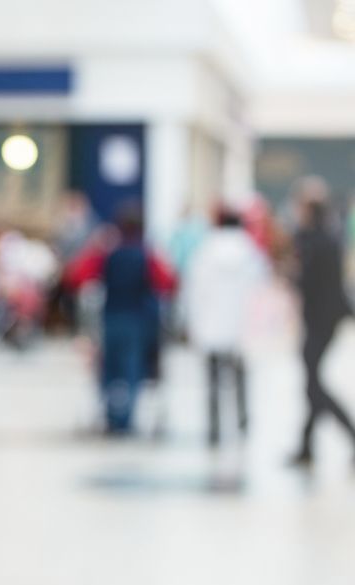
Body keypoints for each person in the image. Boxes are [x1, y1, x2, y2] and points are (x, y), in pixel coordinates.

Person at [64, 203, 176, 433]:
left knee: (109, 370)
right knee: (132, 369)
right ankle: (126, 418)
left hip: (111, 317)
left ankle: (112, 416)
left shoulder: (107, 254)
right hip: (139, 321)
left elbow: (76, 277)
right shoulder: (147, 255)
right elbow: (169, 283)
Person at [183, 205, 269, 445]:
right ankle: (242, 422)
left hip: (210, 324)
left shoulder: (205, 251)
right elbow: (260, 287)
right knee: (240, 376)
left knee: (212, 379)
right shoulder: (250, 252)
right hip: (239, 325)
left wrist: (192, 321)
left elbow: (193, 290)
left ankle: (214, 427)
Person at [288, 179, 355, 467]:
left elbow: (310, 283)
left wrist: (291, 275)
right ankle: (306, 446)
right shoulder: (322, 236)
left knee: (314, 385)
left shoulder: (316, 240)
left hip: (321, 321)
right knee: (311, 383)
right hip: (322, 319)